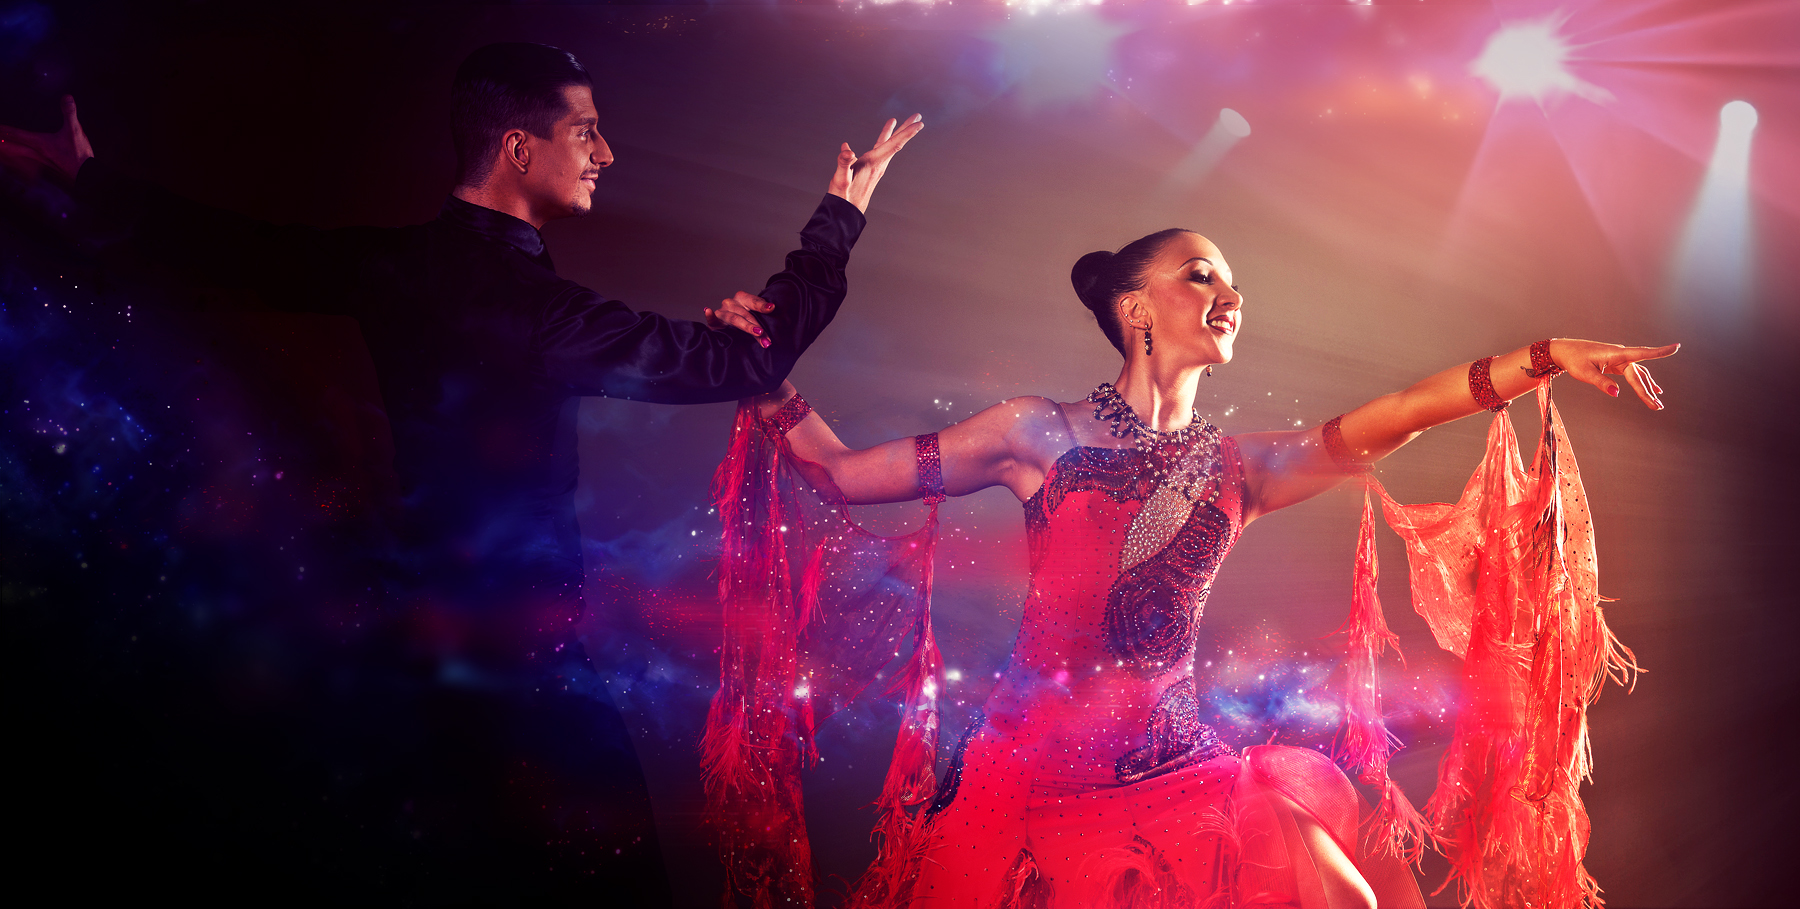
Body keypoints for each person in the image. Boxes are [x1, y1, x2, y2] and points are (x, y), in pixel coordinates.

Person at [0, 42, 920, 906]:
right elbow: (739, 370)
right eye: (585, 129)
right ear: (520, 148)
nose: (606, 150)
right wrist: (837, 221)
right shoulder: (532, 310)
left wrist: (91, 181)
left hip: (414, 676)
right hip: (528, 688)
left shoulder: (396, 265)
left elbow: (240, 247)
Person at [707, 227, 1676, 907]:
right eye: (1201, 275)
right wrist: (763, 375)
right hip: (1033, 791)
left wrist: (1542, 355)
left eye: (1233, 284)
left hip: (1183, 773)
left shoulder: (1243, 466)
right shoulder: (1036, 432)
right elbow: (838, 475)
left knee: (1342, 896)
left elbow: (1404, 411)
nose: (1230, 296)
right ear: (1136, 306)